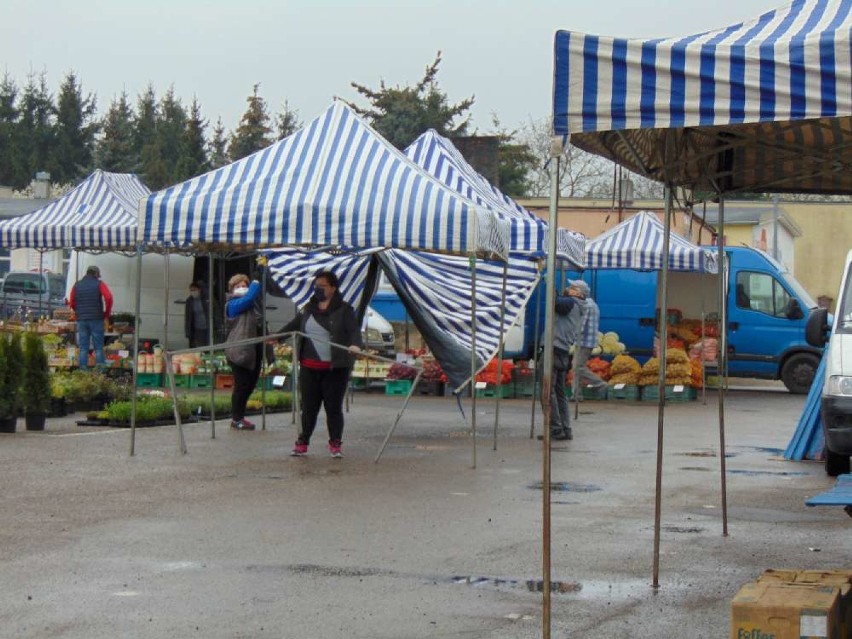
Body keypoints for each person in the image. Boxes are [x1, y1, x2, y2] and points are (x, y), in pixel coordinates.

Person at [280, 271, 362, 458]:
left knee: (333, 408)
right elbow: (294, 325)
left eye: (323, 286)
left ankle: (335, 443)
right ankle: (302, 442)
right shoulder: (308, 308)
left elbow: (354, 331)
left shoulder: (344, 310)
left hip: (335, 369)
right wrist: (276, 338)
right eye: (317, 285)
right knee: (309, 408)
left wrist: (355, 344)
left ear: (333, 288)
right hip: (309, 368)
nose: (318, 289)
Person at [541, 283, 584, 441]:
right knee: (559, 392)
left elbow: (556, 301)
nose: (568, 288)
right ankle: (565, 428)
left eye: (572, 287)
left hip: (553, 350)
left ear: (579, 294)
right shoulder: (577, 306)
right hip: (562, 351)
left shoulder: (570, 302)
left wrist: (548, 283)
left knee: (547, 391)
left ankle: (556, 428)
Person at [224, 272, 264, 431]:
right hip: (238, 351)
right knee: (241, 385)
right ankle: (236, 419)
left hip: (254, 350)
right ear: (232, 289)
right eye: (238, 286)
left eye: (244, 285)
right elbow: (248, 298)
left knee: (250, 384)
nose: (242, 288)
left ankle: (240, 416)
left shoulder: (254, 306)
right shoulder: (232, 304)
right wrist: (256, 281)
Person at [69, 265, 113, 370]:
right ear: (96, 274)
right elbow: (109, 297)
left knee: (83, 347)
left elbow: (72, 301)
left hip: (82, 320)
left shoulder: (77, 285)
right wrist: (106, 313)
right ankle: (100, 372)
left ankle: (83, 373)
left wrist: (78, 311)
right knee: (98, 347)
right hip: (96, 319)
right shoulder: (99, 284)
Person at [570, 279, 608, 401]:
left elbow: (581, 324)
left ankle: (600, 384)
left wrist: (571, 336)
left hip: (584, 341)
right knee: (577, 367)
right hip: (587, 341)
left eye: (573, 288)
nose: (570, 290)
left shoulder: (586, 305)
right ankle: (576, 395)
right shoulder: (592, 303)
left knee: (577, 367)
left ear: (580, 291)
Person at [184, 281, 210, 348]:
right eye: (191, 290)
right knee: (200, 347)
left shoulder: (207, 298)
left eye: (194, 290)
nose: (193, 292)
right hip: (197, 329)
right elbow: (188, 317)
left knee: (209, 345)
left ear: (199, 290)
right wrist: (188, 332)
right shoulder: (189, 301)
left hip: (208, 327)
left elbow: (215, 311)